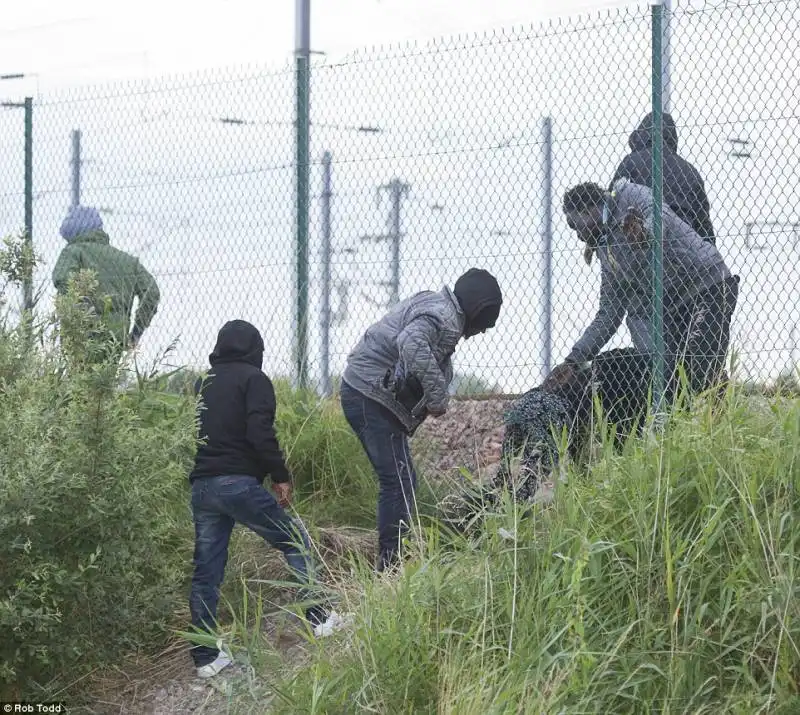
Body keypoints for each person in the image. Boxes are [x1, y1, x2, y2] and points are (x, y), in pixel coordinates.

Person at [188, 320, 341, 678]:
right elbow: (259, 432)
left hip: (203, 488)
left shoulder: (203, 383)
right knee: (296, 542)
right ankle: (319, 618)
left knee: (206, 573)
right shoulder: (254, 380)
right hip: (238, 484)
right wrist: (281, 475)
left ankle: (206, 657)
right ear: (254, 348)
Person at [341, 268, 503, 572]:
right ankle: (390, 568)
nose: (483, 331)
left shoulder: (437, 309)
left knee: (403, 481)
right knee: (398, 482)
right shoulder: (443, 316)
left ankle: (393, 561)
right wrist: (438, 394)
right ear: (478, 308)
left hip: (367, 392)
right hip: (368, 394)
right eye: (486, 321)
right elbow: (411, 343)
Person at [551, 179, 739, 403]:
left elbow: (659, 215)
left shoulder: (630, 195)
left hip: (707, 286)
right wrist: (575, 359)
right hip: (670, 306)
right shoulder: (606, 249)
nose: (578, 235)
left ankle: (719, 416)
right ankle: (687, 425)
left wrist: (644, 234)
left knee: (698, 369)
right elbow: (610, 312)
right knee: (669, 379)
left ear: (588, 210)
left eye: (575, 225)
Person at [52, 205, 160, 361]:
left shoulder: (73, 252)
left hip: (81, 336)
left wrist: (85, 314)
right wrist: (136, 333)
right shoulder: (129, 262)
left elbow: (63, 279)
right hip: (115, 339)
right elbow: (152, 293)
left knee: (80, 382)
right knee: (104, 383)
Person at [611, 112, 716, 244]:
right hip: (684, 242)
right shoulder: (690, 171)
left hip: (639, 239)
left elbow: (611, 202)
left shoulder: (631, 161)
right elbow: (703, 224)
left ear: (641, 135)